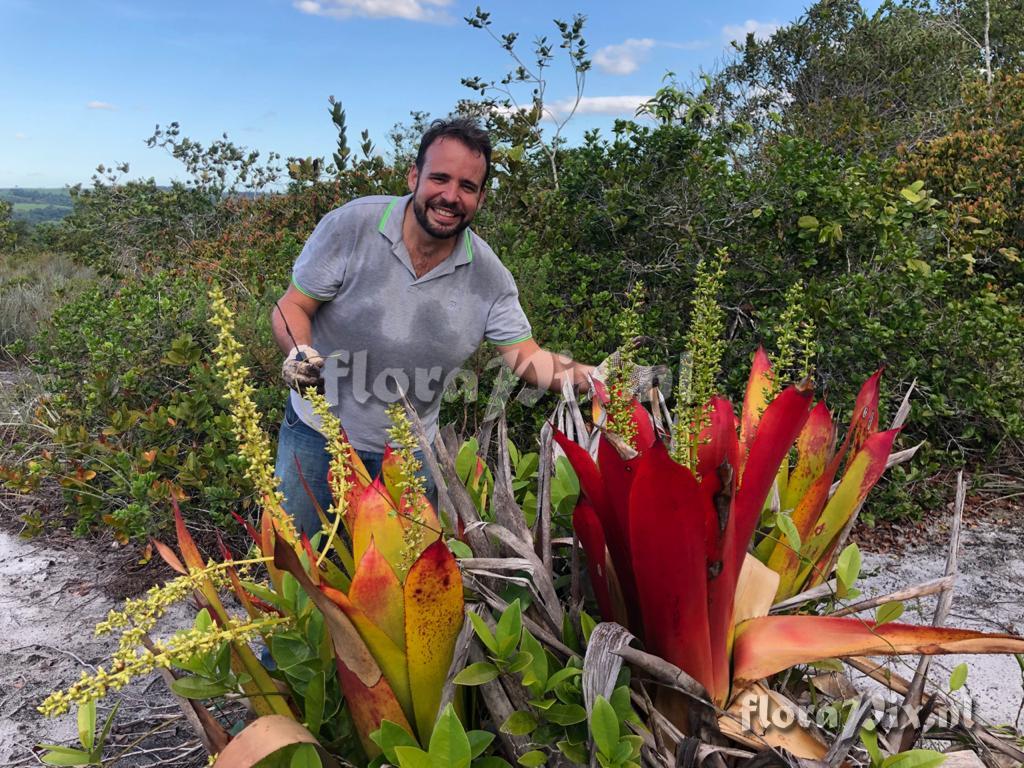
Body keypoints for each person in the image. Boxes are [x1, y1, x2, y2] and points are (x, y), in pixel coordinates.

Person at [270, 117, 594, 536]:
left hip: (409, 454)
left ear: (480, 197)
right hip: (317, 439)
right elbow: (292, 306)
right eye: (439, 178)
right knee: (300, 561)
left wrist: (601, 379)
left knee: (406, 586)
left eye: (467, 186)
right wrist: (300, 353)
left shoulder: (489, 276)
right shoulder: (352, 226)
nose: (450, 196)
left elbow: (528, 358)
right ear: (413, 176)